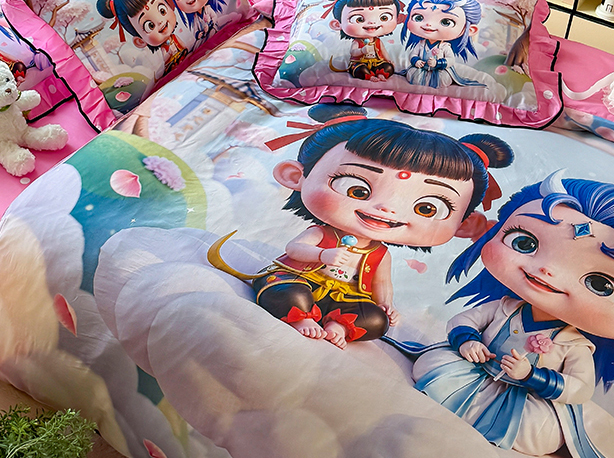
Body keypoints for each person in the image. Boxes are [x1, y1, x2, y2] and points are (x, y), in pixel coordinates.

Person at [402, 171, 614, 458]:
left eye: (601, 285)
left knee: (539, 431)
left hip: (524, 398)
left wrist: (532, 376)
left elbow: (580, 388)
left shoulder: (574, 344)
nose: (547, 271)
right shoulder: (506, 307)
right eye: (525, 243)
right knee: (433, 361)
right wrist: (468, 341)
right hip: (476, 372)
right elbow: (465, 319)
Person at [208, 103, 513, 349]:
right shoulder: (323, 234)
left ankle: (338, 325)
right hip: (303, 279)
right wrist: (322, 255)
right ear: (294, 176)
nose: (387, 209)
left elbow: (382, 284)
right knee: (287, 292)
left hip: (344, 297)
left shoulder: (380, 255)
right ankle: (302, 317)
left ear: (463, 224)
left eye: (426, 208)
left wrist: (386, 304)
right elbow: (294, 249)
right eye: (357, 189)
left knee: (376, 321)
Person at [96, 0, 188, 71]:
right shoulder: (161, 50)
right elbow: (166, 60)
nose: (160, 21)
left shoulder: (175, 38)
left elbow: (184, 47)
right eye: (150, 25)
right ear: (140, 41)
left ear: (169, 4)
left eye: (162, 11)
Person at [326, 0, 403, 81]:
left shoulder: (377, 41)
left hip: (376, 62)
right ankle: (369, 76)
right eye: (359, 19)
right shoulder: (357, 42)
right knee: (360, 70)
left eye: (384, 18)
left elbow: (383, 51)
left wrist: (388, 60)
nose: (372, 22)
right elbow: (353, 52)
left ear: (398, 19)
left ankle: (381, 74)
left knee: (388, 67)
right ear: (337, 24)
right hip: (360, 63)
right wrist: (362, 51)